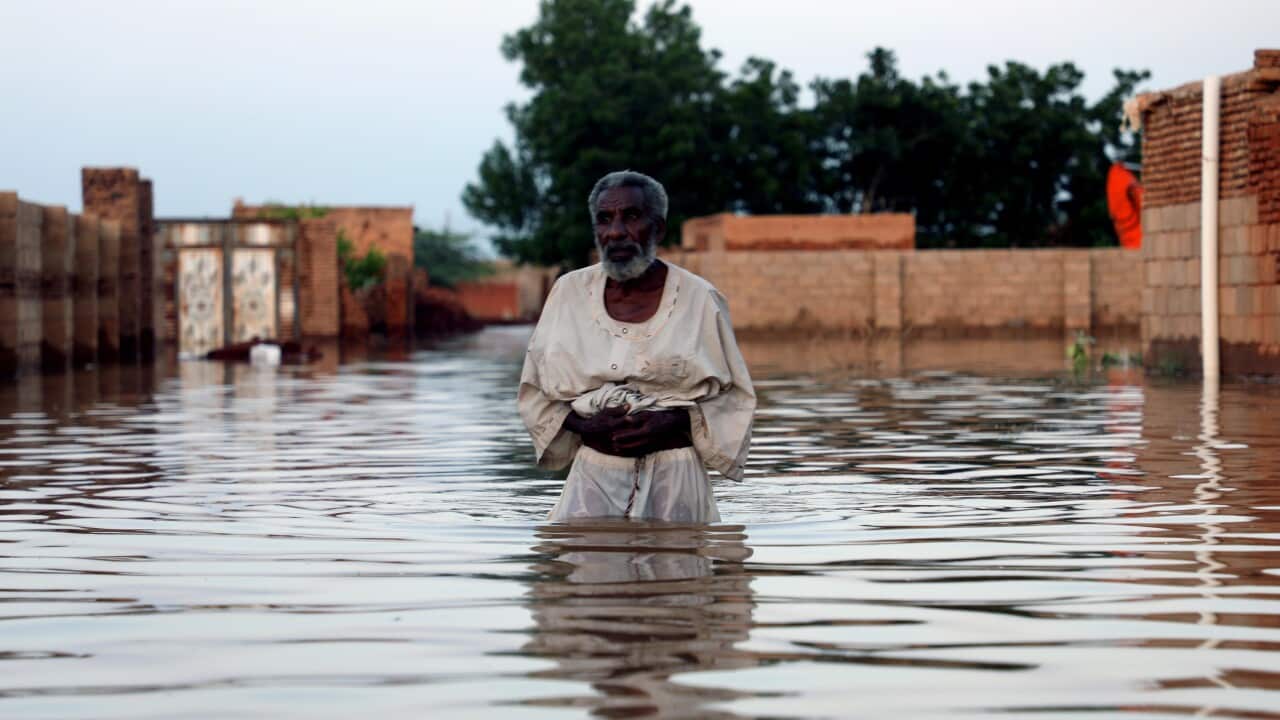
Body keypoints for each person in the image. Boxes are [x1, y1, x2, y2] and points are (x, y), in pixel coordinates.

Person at [518, 170, 755, 523]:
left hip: (676, 482)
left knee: (682, 574)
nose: (615, 232)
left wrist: (677, 420)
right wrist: (585, 427)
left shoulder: (700, 299)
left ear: (657, 228)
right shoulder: (568, 293)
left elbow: (736, 398)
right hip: (592, 479)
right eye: (604, 219)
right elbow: (534, 392)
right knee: (587, 570)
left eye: (630, 217)